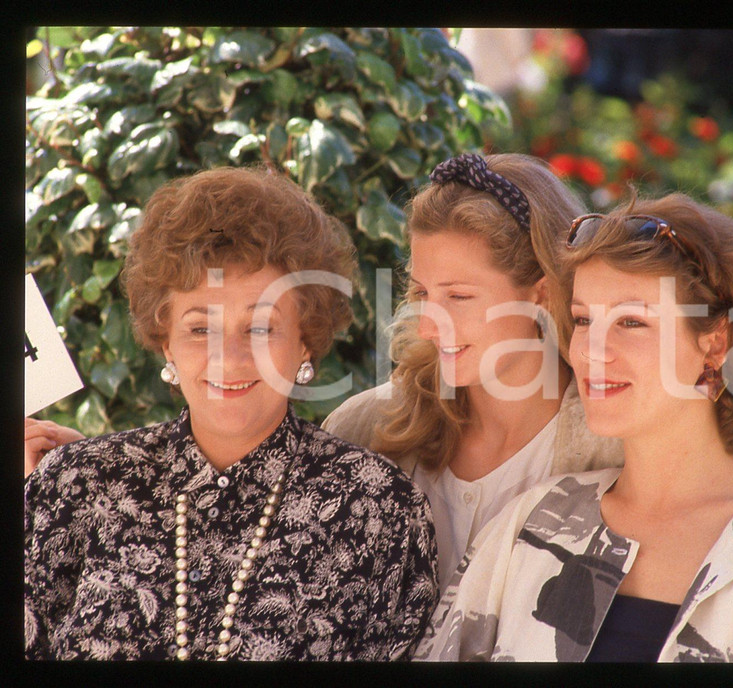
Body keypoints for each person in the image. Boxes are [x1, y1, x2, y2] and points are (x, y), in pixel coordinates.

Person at [415, 192, 733, 662]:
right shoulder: (532, 523)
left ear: (716, 345)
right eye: (583, 319)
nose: (591, 349)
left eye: (631, 322)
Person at [24, 166, 437, 661]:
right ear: (165, 342)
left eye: (261, 329)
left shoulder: (378, 509)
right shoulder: (72, 485)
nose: (231, 358)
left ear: (305, 340)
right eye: (200, 329)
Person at [321, 153, 624, 587]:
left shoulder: (617, 450)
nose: (428, 324)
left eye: (459, 297)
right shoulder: (362, 431)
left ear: (541, 291)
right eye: (421, 292)